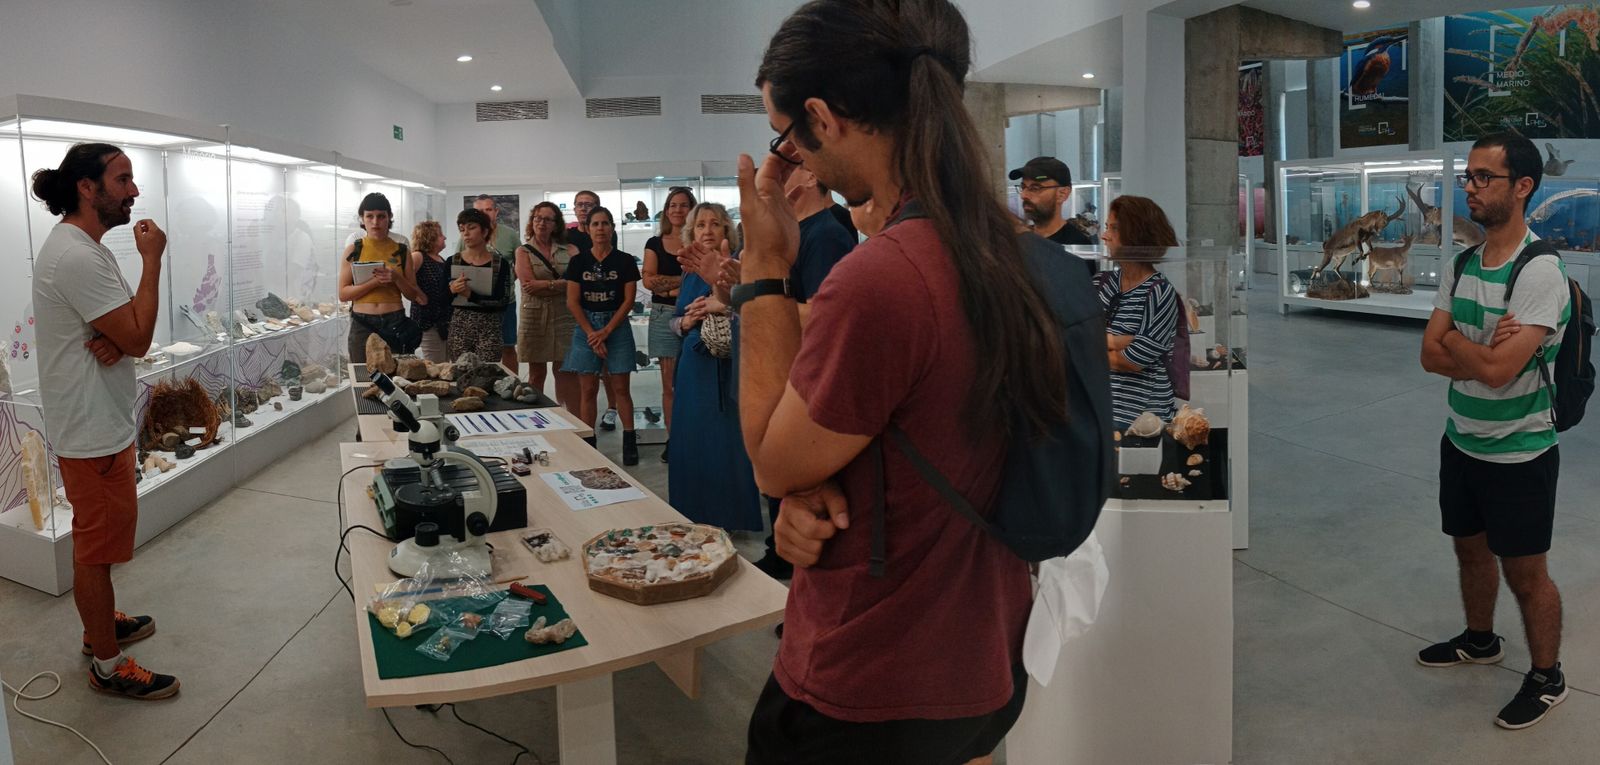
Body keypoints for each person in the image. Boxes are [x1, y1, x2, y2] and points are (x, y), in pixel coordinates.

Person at [736, 1, 1068, 761]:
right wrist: (809, 489)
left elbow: (773, 456)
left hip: (872, 676)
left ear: (822, 116)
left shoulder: (884, 278)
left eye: (785, 135)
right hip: (984, 655)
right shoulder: (1000, 249)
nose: (791, 159)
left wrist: (763, 265)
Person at [1419, 132, 1570, 731]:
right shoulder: (1461, 262)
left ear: (1523, 186)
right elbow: (1428, 356)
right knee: (1469, 549)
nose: (1471, 188)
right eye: (1469, 177)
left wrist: (1456, 339)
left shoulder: (1540, 273)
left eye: (1484, 178)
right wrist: (1471, 347)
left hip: (1521, 454)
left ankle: (1547, 676)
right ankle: (1479, 640)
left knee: (1525, 574)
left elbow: (1503, 373)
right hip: (1462, 440)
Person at [30, 143, 178, 699]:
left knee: (105, 543)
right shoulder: (74, 255)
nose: (134, 192)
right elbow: (138, 334)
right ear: (87, 188)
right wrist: (153, 260)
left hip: (101, 423)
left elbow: (126, 333)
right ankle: (107, 666)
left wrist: (120, 338)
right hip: (89, 430)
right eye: (123, 180)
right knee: (93, 551)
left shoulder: (88, 250)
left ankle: (101, 624)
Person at [752, 165, 857, 580]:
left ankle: (799, 576)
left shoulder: (828, 234)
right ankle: (783, 560)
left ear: (813, 177)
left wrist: (751, 300)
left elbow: (820, 316)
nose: (776, 175)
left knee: (797, 478)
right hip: (789, 366)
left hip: (807, 373)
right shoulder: (801, 231)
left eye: (791, 168)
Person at [667, 202, 764, 530]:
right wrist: (687, 320)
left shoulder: (738, 266)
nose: (707, 231)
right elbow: (673, 320)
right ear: (690, 232)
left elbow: (758, 313)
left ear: (727, 231)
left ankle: (729, 518)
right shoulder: (688, 271)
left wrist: (722, 305)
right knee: (691, 440)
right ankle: (690, 516)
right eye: (700, 226)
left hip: (727, 368)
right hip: (693, 368)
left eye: (714, 224)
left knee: (725, 444)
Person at [563, 206, 643, 464]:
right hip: (587, 325)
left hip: (616, 324)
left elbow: (629, 299)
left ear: (612, 228)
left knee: (621, 387)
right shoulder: (578, 262)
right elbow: (572, 301)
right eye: (595, 224)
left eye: (605, 223)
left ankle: (630, 440)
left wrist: (607, 331)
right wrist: (592, 334)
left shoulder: (625, 261)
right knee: (587, 389)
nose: (600, 228)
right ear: (588, 228)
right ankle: (589, 441)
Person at [1093, 195, 1181, 430]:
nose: (1104, 236)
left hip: (1142, 419)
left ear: (1136, 234)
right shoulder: (1101, 282)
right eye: (1106, 227)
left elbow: (1132, 361)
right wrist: (1122, 340)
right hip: (1099, 409)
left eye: (1114, 228)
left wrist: (1092, 348)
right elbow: (1072, 341)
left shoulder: (1160, 293)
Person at [339, 193, 426, 364]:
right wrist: (373, 283)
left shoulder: (402, 250)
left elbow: (412, 294)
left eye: (381, 216)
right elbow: (343, 294)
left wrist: (396, 277)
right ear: (362, 219)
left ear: (389, 217)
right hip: (362, 322)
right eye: (369, 216)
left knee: (398, 380)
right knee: (362, 380)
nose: (375, 222)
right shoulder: (353, 250)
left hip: (394, 320)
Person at [643, 187, 695, 460]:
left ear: (691, 208)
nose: (677, 210)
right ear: (666, 210)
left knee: (697, 381)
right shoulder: (655, 243)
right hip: (664, 315)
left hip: (697, 313)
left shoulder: (699, 242)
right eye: (672, 205)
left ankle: (695, 437)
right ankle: (673, 440)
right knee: (670, 384)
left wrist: (669, 284)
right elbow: (649, 282)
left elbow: (707, 277)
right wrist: (685, 280)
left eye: (683, 205)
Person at [565, 189, 622, 429]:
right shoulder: (567, 234)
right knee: (584, 369)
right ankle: (579, 418)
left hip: (607, 309)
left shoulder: (606, 233)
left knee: (608, 365)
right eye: (580, 205)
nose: (584, 209)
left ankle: (611, 408)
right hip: (578, 308)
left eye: (589, 204)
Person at [515, 202, 581, 409]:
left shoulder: (570, 250)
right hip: (535, 317)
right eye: (537, 218)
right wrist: (563, 284)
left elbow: (577, 282)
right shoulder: (523, 251)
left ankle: (571, 418)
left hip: (565, 316)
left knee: (566, 371)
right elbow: (528, 286)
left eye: (547, 219)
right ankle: (537, 417)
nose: (541, 223)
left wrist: (547, 284)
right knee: (536, 373)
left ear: (556, 224)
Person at [457, 194, 522, 371]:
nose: (484, 214)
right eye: (479, 210)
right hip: (474, 303)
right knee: (477, 348)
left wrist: (506, 282)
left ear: (496, 211)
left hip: (505, 301)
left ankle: (512, 383)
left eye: (488, 209)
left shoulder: (510, 235)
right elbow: (456, 266)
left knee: (508, 346)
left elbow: (520, 262)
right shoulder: (465, 238)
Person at [446, 208, 515, 361]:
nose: (466, 233)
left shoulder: (499, 263)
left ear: (484, 232)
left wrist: (471, 295)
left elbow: (502, 301)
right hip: (459, 328)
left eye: (471, 228)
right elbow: (440, 298)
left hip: (489, 328)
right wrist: (451, 289)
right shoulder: (452, 261)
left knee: (487, 375)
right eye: (462, 229)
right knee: (461, 374)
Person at [1012, 155, 1094, 274]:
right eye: (1023, 187)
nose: (1023, 195)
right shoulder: (1020, 240)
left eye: (1035, 188)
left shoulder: (1077, 245)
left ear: (1062, 194)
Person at [407, 220, 453, 362]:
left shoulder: (441, 259)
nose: (444, 237)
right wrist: (419, 295)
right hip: (428, 322)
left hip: (443, 322)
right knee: (434, 365)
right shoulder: (418, 256)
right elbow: (405, 279)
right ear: (429, 237)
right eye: (440, 235)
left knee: (445, 364)